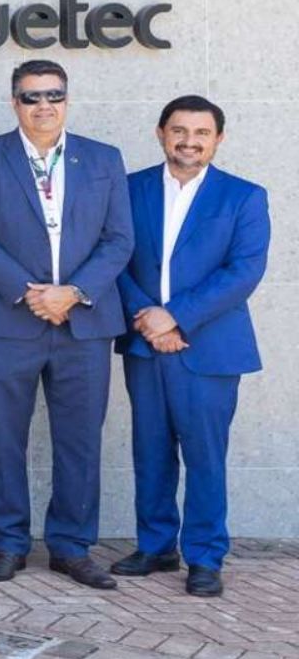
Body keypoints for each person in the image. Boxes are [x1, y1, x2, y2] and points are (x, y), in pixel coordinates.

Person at [0, 59, 133, 588]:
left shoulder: (102, 159)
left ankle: (72, 546)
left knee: (80, 439)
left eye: (54, 95)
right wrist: (29, 293)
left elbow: (119, 239)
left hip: (84, 323)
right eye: (32, 97)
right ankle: (7, 543)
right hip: (8, 320)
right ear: (14, 103)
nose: (44, 106)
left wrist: (72, 294)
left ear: (67, 101)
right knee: (3, 436)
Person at [111, 95, 269, 598]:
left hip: (210, 348)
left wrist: (175, 316)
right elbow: (114, 256)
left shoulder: (244, 196)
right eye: (179, 130)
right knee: (151, 450)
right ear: (160, 133)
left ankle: (204, 556)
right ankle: (156, 546)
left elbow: (243, 272)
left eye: (201, 133)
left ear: (218, 139)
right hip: (145, 344)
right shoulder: (129, 189)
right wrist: (147, 320)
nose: (189, 141)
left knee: (204, 455)